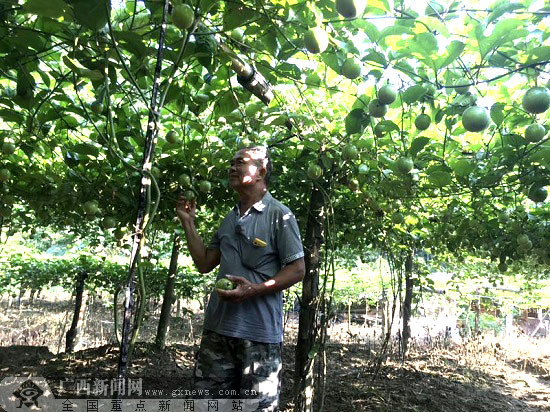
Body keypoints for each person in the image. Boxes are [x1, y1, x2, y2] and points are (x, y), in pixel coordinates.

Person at [176, 146, 305, 411]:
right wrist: (188, 222)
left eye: (240, 162)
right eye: (231, 163)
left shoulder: (280, 215)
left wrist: (254, 290)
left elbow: (297, 269)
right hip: (217, 333)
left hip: (258, 337)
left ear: (261, 172)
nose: (231, 168)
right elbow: (204, 263)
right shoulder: (230, 217)